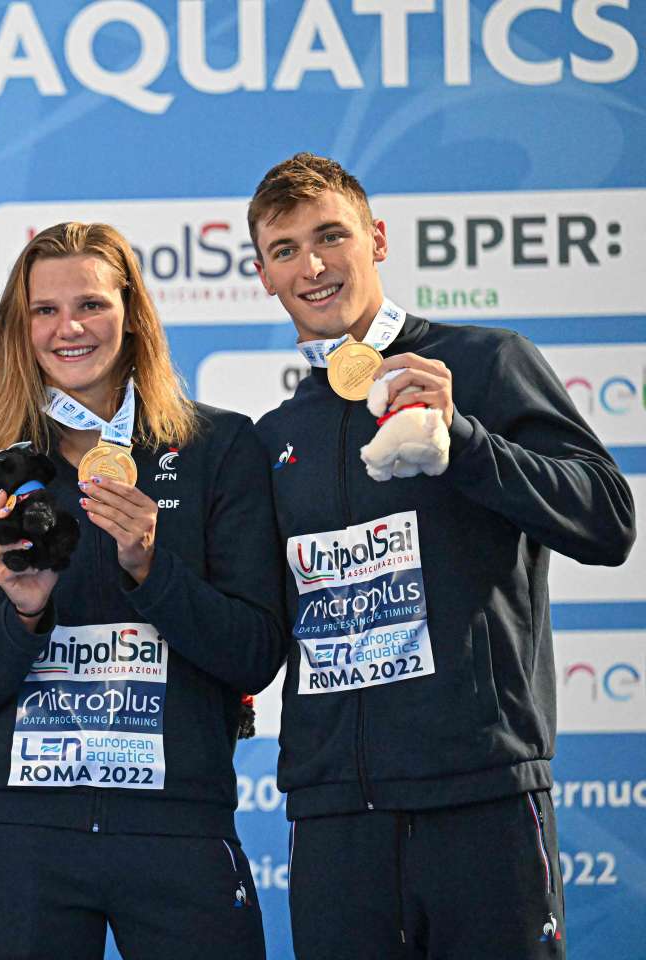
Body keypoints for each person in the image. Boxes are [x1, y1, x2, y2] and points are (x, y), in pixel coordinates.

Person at [249, 152, 636, 959]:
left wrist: (463, 443)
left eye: (331, 237)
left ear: (377, 238)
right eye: (285, 250)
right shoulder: (277, 436)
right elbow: (256, 626)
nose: (312, 266)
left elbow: (607, 521)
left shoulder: (485, 365)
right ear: (263, 275)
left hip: (481, 800)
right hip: (334, 817)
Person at [0, 222, 286, 959]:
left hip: (178, 826)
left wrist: (153, 570)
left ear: (132, 314)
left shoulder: (219, 448)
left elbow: (254, 654)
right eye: (45, 311)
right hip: (26, 841)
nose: (70, 329)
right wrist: (22, 614)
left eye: (90, 304)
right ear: (17, 329)